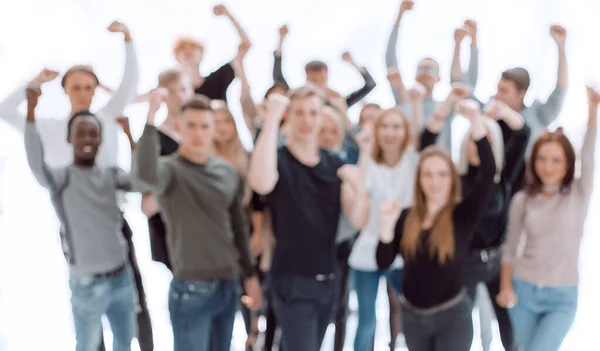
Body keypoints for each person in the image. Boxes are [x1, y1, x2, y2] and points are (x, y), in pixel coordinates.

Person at [134, 91, 262, 351]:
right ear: (179, 127)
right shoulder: (169, 170)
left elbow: (237, 227)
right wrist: (149, 121)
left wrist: (250, 276)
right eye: (191, 126)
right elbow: (144, 176)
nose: (198, 133)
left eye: (205, 126)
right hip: (191, 291)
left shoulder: (227, 172)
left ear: (213, 129)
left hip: (229, 286)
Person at [248, 86, 370, 351]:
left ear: (321, 117)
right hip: (291, 281)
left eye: (313, 113)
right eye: (299, 113)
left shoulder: (334, 165)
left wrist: (359, 186)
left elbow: (358, 219)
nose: (306, 120)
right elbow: (260, 182)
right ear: (289, 116)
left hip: (328, 280)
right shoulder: (278, 160)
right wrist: (271, 119)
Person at [24, 84, 137, 351]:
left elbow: (141, 180)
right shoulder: (61, 179)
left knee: (125, 342)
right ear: (68, 138)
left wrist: (131, 137)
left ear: (100, 139)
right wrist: (30, 112)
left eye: (94, 133)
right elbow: (37, 163)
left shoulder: (110, 175)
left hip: (122, 276)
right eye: (81, 133)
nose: (88, 138)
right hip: (86, 283)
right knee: (86, 345)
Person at [376, 99, 496, 350]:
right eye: (428, 174)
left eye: (442, 174)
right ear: (419, 179)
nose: (435, 181)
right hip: (412, 318)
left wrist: (476, 120)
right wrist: (386, 226)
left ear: (452, 179)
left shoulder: (463, 214)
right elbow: (384, 262)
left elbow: (488, 171)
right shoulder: (407, 216)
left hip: (452, 319)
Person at [421, 96, 531, 351]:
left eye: (486, 140)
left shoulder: (502, 177)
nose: (478, 145)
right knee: (459, 327)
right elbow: (426, 144)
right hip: (464, 264)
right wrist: (447, 106)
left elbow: (523, 133)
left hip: (495, 263)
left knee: (508, 328)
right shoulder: (454, 179)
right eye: (473, 139)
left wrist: (500, 109)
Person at [497, 86, 598, 351]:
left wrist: (593, 113)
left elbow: (588, 156)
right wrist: (506, 287)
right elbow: (509, 248)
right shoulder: (522, 200)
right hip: (523, 292)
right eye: (542, 158)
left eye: (556, 160)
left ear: (567, 163)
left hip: (561, 297)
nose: (548, 166)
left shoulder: (578, 194)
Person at [348, 106, 420, 351]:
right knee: (366, 321)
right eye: (384, 126)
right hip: (368, 251)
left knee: (413, 312)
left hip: (402, 253)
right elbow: (359, 200)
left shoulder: (413, 160)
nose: (390, 133)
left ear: (405, 131)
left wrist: (416, 101)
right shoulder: (368, 161)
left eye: (396, 126)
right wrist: (365, 151)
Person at [385, 0, 479, 150]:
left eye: (430, 70)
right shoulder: (404, 99)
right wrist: (399, 15)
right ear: (415, 76)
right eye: (421, 69)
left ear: (438, 78)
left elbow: (465, 86)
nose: (425, 73)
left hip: (440, 169)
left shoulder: (444, 107)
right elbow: (390, 60)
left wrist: (465, 43)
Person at [494, 25, 568, 192]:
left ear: (521, 93)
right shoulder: (493, 113)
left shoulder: (537, 114)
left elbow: (560, 90)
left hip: (531, 187)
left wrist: (561, 47)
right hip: (500, 187)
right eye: (498, 88)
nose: (498, 95)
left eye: (504, 91)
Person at [142, 69, 193, 271]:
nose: (179, 96)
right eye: (171, 91)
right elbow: (147, 206)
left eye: (183, 89)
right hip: (176, 240)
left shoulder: (207, 131)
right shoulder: (153, 140)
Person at [273, 24, 376, 110]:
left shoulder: (337, 103)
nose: (318, 85)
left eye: (322, 80)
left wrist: (352, 62)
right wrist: (281, 40)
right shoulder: (295, 100)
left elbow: (369, 85)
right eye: (314, 80)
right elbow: (278, 76)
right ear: (306, 79)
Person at [173, 4, 250, 101]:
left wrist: (228, 15)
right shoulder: (174, 93)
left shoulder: (217, 79)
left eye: (193, 47)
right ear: (177, 58)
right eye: (182, 48)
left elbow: (245, 45)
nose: (188, 51)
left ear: (201, 55)